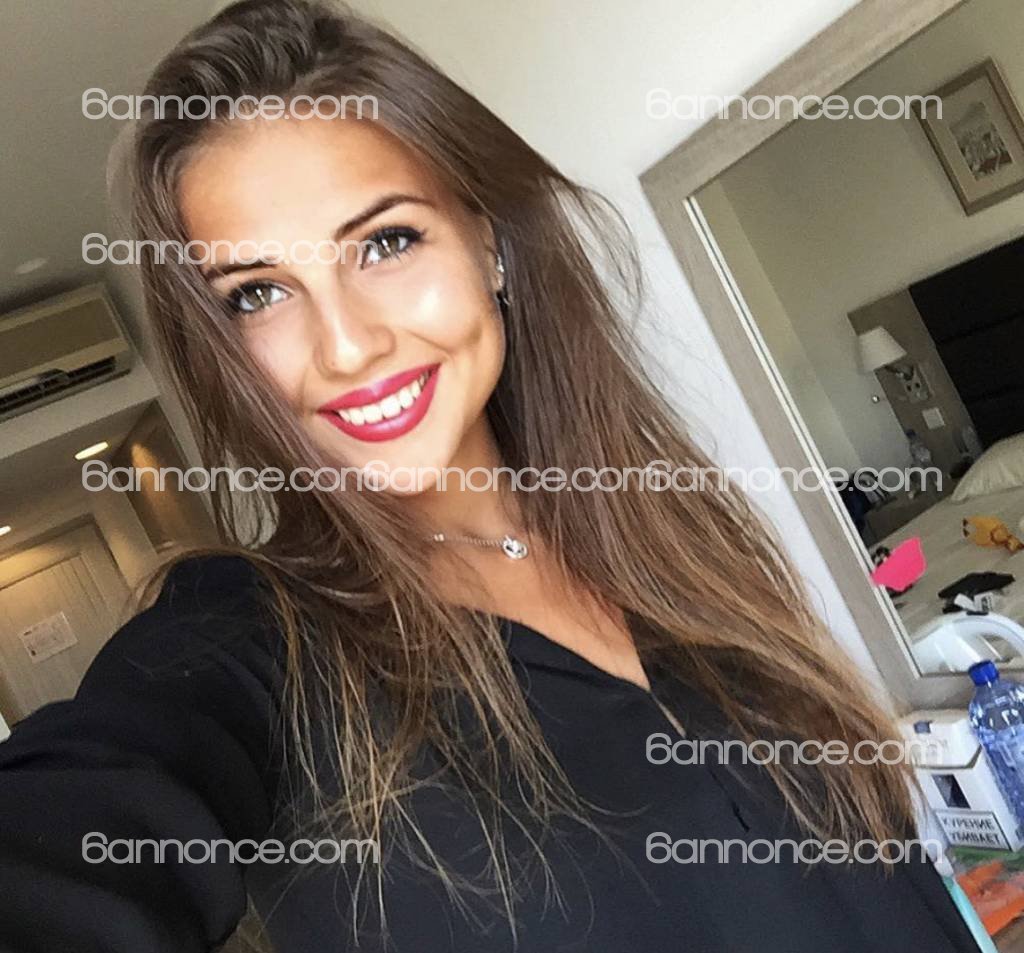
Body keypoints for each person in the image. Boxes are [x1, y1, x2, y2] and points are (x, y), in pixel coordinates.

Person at [0, 2, 978, 951]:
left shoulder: (668, 527)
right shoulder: (247, 642)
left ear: (487, 242)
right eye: (258, 293)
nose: (346, 345)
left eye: (385, 242)